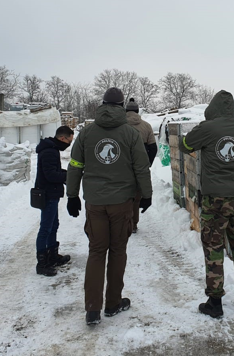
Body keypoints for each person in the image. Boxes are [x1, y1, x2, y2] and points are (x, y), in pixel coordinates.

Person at [66, 87, 153, 325]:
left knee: (96, 252)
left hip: (95, 203)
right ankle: (113, 303)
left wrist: (72, 195)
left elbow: (75, 164)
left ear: (102, 105)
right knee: (117, 251)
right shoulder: (130, 133)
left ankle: (92, 309)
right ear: (122, 106)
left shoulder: (86, 133)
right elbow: (141, 167)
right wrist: (146, 194)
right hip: (122, 203)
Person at [178, 90, 234, 318]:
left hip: (213, 198)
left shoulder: (207, 129)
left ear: (213, 109)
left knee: (213, 247)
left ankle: (214, 303)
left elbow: (185, 145)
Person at [34, 125, 74, 277]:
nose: (69, 143)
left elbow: (53, 172)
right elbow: (51, 175)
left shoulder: (52, 149)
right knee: (46, 228)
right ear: (62, 138)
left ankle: (52, 255)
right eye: (69, 140)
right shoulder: (50, 151)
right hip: (48, 194)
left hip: (51, 193)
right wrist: (70, 176)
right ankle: (42, 263)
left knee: (53, 225)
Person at [125, 98, 158, 233]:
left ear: (125, 111)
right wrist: (147, 164)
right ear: (138, 111)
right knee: (137, 197)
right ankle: (133, 224)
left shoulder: (120, 126)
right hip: (140, 165)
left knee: (124, 196)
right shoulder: (146, 126)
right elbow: (153, 148)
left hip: (123, 165)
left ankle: (123, 224)